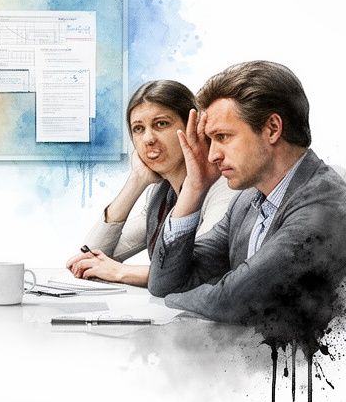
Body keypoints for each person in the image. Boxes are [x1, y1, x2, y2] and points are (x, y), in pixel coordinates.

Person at [149, 60, 346, 331]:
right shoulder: (246, 203)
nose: (212, 155)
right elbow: (165, 282)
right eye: (211, 140)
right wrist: (195, 188)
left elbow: (233, 300)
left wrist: (177, 298)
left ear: (272, 129)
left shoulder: (326, 204)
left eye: (223, 136)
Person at [66, 80, 238, 285]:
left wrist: (120, 272)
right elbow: (92, 255)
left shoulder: (224, 187)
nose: (148, 139)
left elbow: (199, 272)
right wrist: (136, 181)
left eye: (161, 124)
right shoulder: (162, 194)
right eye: (138, 129)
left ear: (194, 128)